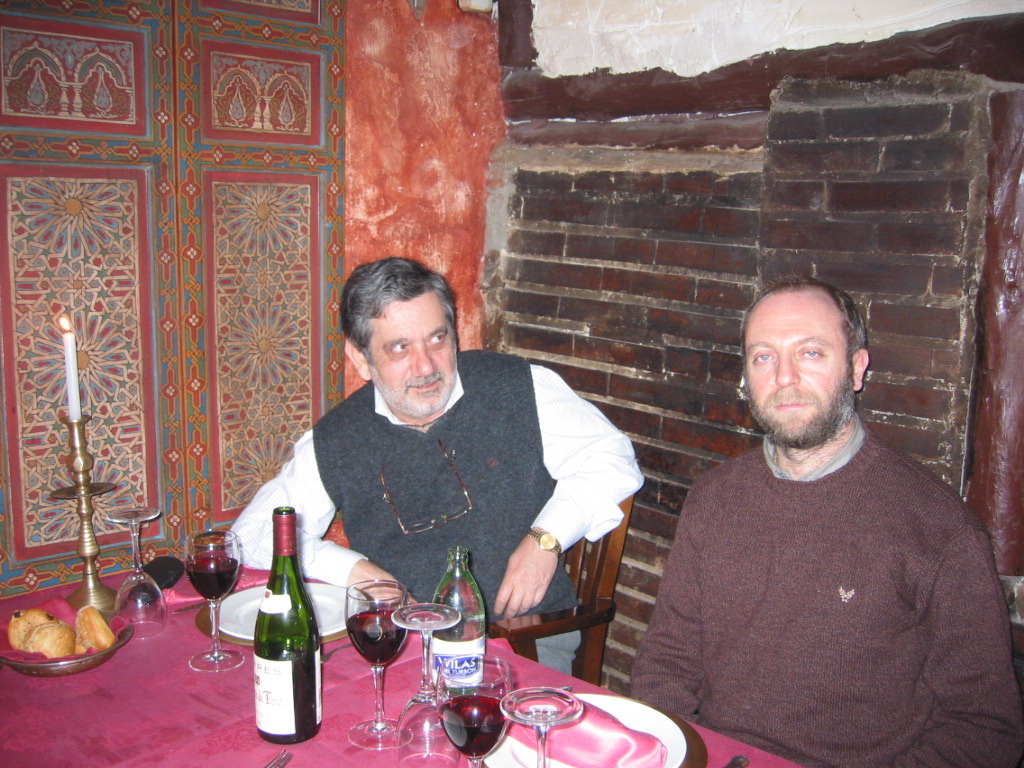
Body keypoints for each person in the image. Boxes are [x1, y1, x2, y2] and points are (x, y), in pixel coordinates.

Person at [631, 276, 1023, 767]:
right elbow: (667, 660)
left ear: (856, 368)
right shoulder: (714, 497)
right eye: (764, 357)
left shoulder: (936, 527)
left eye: (811, 353)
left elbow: (985, 728)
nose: (785, 377)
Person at [232, 257, 643, 672]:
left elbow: (612, 458)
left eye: (437, 338)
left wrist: (546, 540)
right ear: (360, 358)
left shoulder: (518, 387)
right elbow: (252, 536)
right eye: (400, 347)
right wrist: (357, 572)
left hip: (524, 641)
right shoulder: (338, 438)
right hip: (402, 650)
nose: (426, 366)